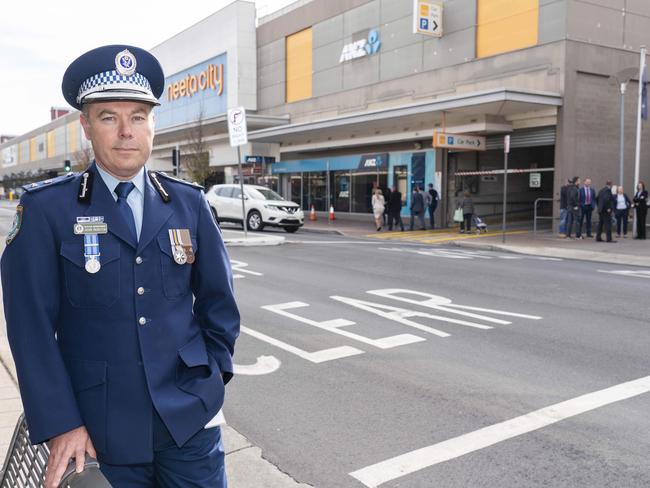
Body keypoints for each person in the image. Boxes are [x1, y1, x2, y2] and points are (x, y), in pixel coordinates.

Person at [1, 45, 239, 488]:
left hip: (188, 423)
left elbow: (219, 305)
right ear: (86, 126)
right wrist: (61, 423)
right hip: (95, 431)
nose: (126, 131)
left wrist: (211, 380)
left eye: (138, 116)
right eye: (109, 116)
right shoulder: (47, 210)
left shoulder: (189, 203)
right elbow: (29, 328)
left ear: (153, 124)